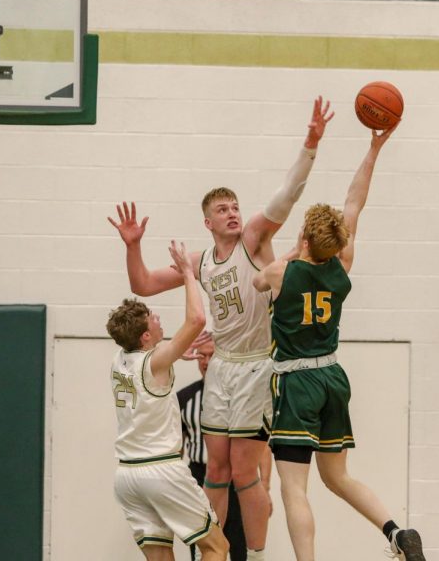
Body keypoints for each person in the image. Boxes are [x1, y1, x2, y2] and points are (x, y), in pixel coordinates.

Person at [108, 97, 334, 561]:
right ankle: (207, 553)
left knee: (246, 471)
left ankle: (255, 555)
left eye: (235, 206)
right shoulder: (200, 261)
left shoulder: (254, 239)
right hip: (223, 368)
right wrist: (134, 246)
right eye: (223, 209)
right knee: (215, 468)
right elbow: (143, 283)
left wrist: (309, 146)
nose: (233, 213)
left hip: (256, 364)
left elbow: (285, 197)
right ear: (207, 222)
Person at [252, 125, 426, 561]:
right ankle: (396, 531)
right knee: (337, 477)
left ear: (306, 239)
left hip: (296, 384)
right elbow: (354, 201)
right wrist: (374, 148)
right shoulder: (343, 264)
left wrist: (292, 251)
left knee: (294, 488)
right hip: (332, 377)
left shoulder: (282, 272)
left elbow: (258, 279)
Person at [105, 241, 228, 561]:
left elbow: (153, 365)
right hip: (161, 470)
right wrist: (189, 272)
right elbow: (197, 320)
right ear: (145, 337)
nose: (157, 317)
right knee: (218, 547)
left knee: (160, 557)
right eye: (151, 318)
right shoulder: (155, 361)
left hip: (128, 477)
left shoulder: (120, 358)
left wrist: (173, 355)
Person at [178, 335, 273, 561]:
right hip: (200, 475)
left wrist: (266, 488)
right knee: (204, 547)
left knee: (239, 544)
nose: (206, 361)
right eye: (202, 355)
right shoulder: (184, 398)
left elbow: (262, 449)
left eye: (212, 355)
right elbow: (177, 449)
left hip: (235, 479)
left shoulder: (241, 396)